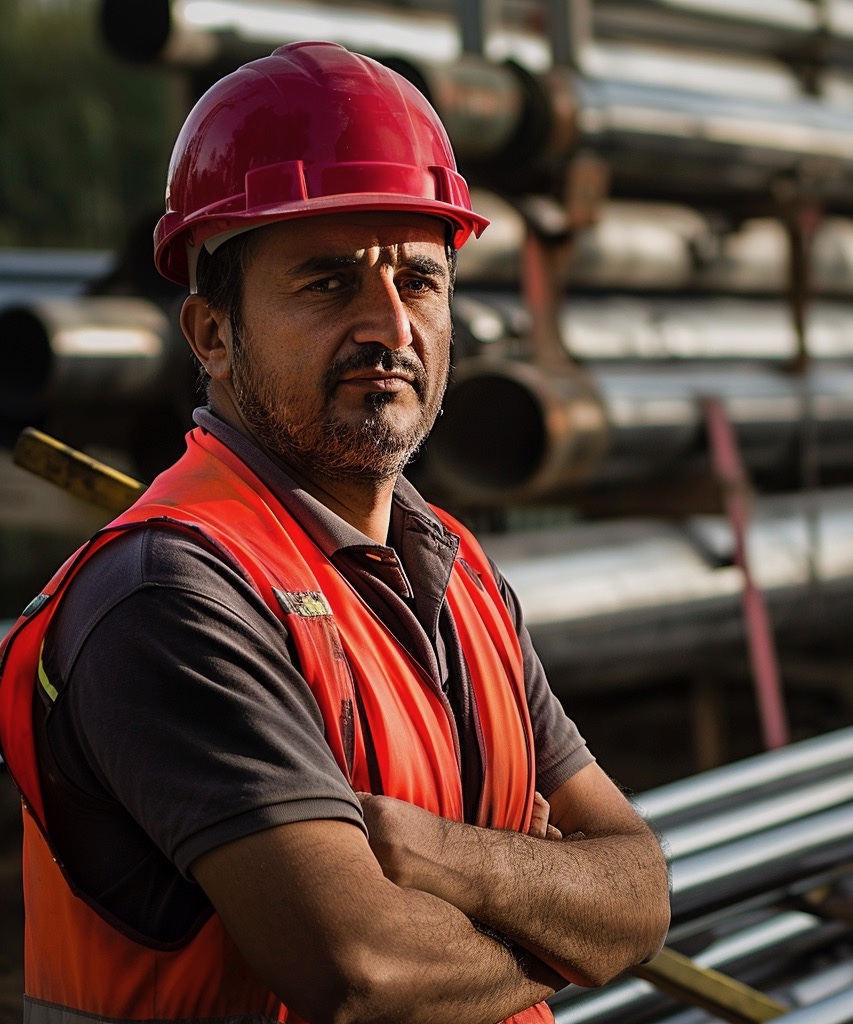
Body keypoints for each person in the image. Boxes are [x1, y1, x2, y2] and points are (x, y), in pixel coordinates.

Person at [0, 42, 669, 1024]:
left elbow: (641, 892)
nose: (388, 325)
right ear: (212, 334)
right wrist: (562, 923)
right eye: (327, 282)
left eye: (419, 278)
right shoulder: (173, 597)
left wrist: (436, 855)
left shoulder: (458, 574)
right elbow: (358, 970)